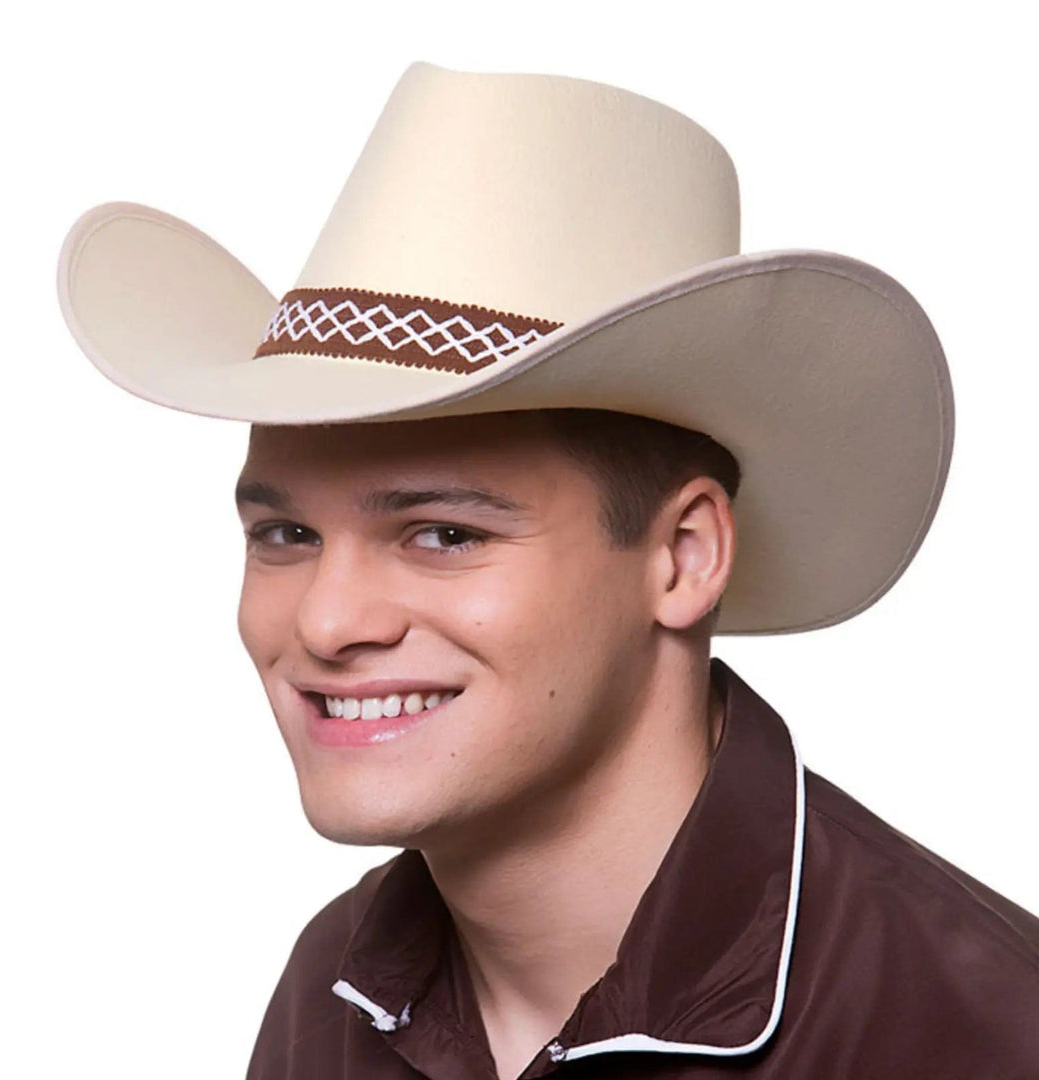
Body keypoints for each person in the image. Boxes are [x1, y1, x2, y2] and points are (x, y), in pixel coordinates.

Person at [57, 61, 1038, 1079]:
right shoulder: (334, 993)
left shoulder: (973, 1029)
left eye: (441, 535)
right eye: (285, 536)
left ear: (681, 557)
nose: (325, 622)